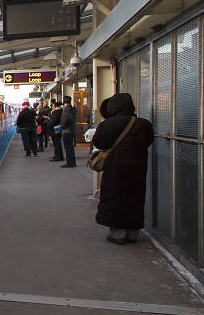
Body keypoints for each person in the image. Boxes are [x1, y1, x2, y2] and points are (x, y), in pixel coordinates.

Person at [92, 93, 154, 245]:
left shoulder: (108, 124)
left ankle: (118, 235)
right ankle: (133, 233)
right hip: (138, 169)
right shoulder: (143, 124)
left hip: (115, 169)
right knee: (135, 198)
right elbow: (148, 141)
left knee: (115, 199)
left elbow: (99, 142)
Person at [60, 96, 77, 167]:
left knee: (68, 147)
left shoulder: (67, 109)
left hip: (67, 130)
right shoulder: (73, 108)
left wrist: (62, 126)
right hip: (71, 130)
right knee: (70, 147)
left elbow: (66, 119)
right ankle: (72, 162)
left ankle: (70, 163)